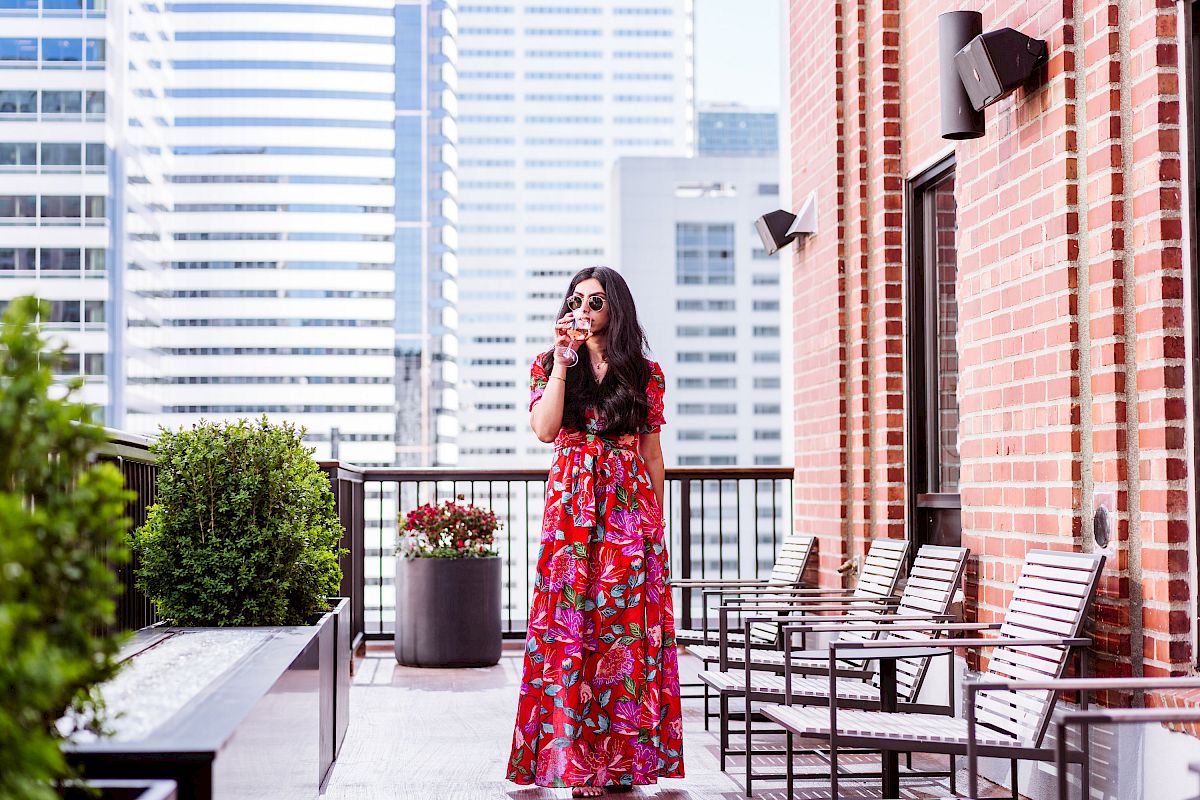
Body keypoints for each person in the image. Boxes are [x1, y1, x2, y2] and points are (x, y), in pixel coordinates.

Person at [507, 266, 684, 797]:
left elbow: (651, 452)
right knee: (570, 629)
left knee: (623, 631)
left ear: (616, 309)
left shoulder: (644, 372)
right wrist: (562, 362)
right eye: (577, 299)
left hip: (630, 516)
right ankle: (575, 762)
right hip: (570, 514)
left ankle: (622, 763)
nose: (584, 309)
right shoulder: (550, 363)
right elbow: (544, 430)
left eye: (596, 301)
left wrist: (655, 524)